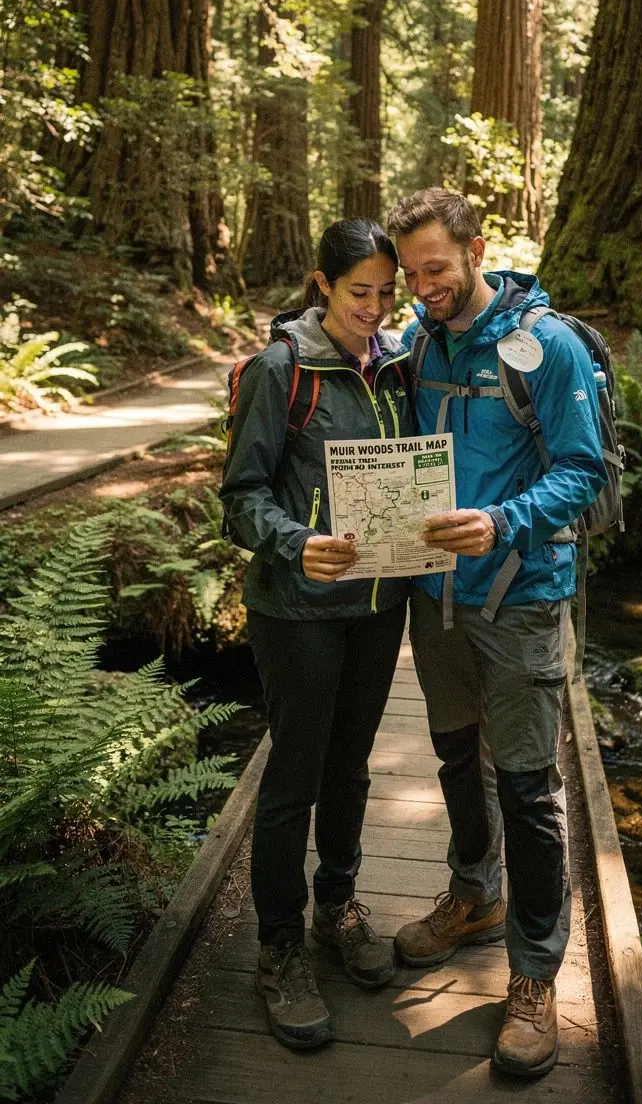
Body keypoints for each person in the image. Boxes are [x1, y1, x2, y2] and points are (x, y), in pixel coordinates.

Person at [386, 187, 606, 1079]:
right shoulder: (420, 340)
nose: (422, 288)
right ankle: (473, 897)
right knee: (454, 758)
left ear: (477, 250)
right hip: (435, 598)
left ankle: (535, 973)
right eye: (410, 274)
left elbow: (584, 468)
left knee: (526, 785)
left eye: (435, 269)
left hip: (520, 597)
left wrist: (504, 521)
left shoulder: (544, 347)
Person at [219, 219, 414, 1053]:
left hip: (378, 606)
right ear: (322, 284)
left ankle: (337, 905)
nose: (373, 308)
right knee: (294, 776)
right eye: (358, 291)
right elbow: (241, 496)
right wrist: (298, 543)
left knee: (350, 765)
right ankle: (278, 948)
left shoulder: (398, 364)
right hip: (297, 609)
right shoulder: (281, 369)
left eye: (386, 293)